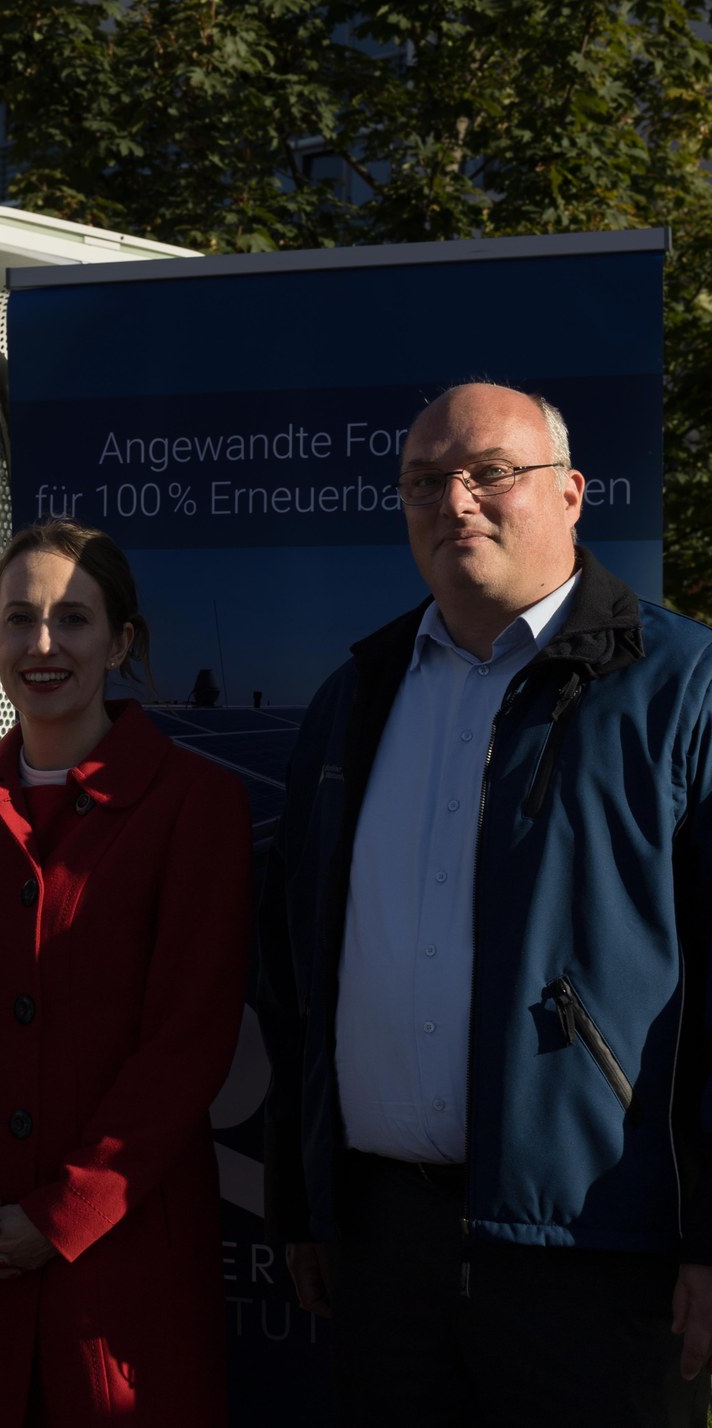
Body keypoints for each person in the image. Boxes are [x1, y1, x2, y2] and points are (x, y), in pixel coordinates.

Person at [257, 382, 712, 1425]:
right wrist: (302, 1200)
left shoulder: (679, 687)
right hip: (384, 1248)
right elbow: (293, 972)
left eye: (487, 473)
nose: (453, 501)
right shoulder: (355, 696)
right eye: (423, 481)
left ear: (569, 493)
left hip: (598, 1256)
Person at [0, 519, 252, 1426]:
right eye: (19, 618)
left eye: (74, 620)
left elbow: (186, 1044)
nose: (43, 645)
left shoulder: (195, 803)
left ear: (121, 641)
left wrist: (61, 1216)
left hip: (110, 1258)